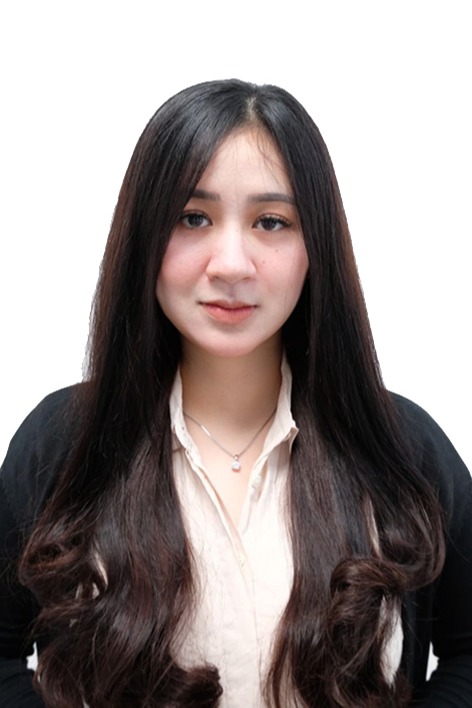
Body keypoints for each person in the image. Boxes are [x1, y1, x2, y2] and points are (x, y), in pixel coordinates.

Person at [0, 79, 471, 708]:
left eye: (271, 222)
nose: (230, 264)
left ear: (315, 246)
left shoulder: (402, 448)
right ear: (145, 233)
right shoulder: (62, 443)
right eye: (193, 217)